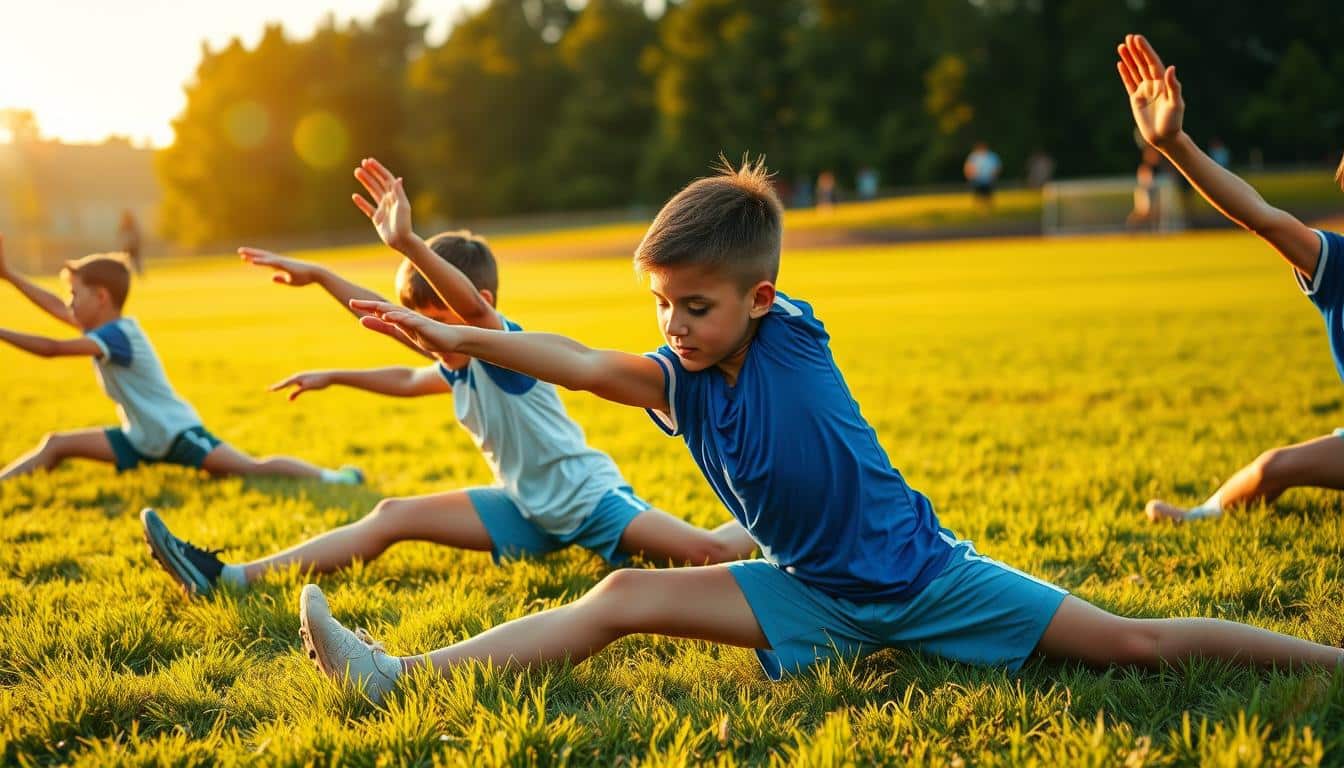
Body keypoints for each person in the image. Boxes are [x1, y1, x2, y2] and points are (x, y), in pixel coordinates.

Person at [290, 156, 1343, 704]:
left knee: (1131, 644)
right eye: (662, 305)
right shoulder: (674, 379)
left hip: (927, 581)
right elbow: (562, 356)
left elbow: (748, 229)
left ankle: (1326, 660)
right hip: (805, 588)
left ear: (760, 298)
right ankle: (401, 677)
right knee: (619, 595)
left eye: (694, 307)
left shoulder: (791, 337)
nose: (673, 326)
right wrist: (435, 310)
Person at [140, 161, 755, 597]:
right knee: (391, 514)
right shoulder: (456, 367)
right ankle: (228, 578)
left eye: (431, 319)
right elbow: (406, 376)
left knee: (711, 554)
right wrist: (326, 289)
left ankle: (765, 529)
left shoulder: (502, 348)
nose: (419, 330)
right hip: (524, 509)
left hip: (589, 502)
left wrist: (407, 241)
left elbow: (471, 315)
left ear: (474, 304)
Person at [1113, 35, 1344, 523]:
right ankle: (1201, 514)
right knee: (1272, 467)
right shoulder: (1337, 263)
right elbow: (1259, 215)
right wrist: (1173, 143)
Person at [0, 235, 363, 483]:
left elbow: (52, 349)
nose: (68, 302)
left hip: (178, 435)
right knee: (56, 444)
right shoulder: (99, 328)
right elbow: (52, 306)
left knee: (251, 468)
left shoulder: (117, 336)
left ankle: (334, 477)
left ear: (100, 297)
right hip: (138, 438)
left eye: (73, 294)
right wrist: (10, 275)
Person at [963, 141, 1002, 210]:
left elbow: (997, 167)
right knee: (978, 195)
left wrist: (994, 175)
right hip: (977, 179)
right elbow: (968, 167)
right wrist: (969, 175)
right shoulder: (974, 156)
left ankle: (989, 208)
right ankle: (978, 209)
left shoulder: (991, 156)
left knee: (988, 195)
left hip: (988, 179)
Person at [117, 209, 143, 275]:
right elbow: (120, 236)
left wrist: (134, 243)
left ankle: (139, 274)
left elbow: (137, 236)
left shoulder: (133, 226)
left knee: (137, 262)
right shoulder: (122, 226)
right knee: (125, 262)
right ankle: (124, 273)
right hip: (126, 247)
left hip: (133, 247)